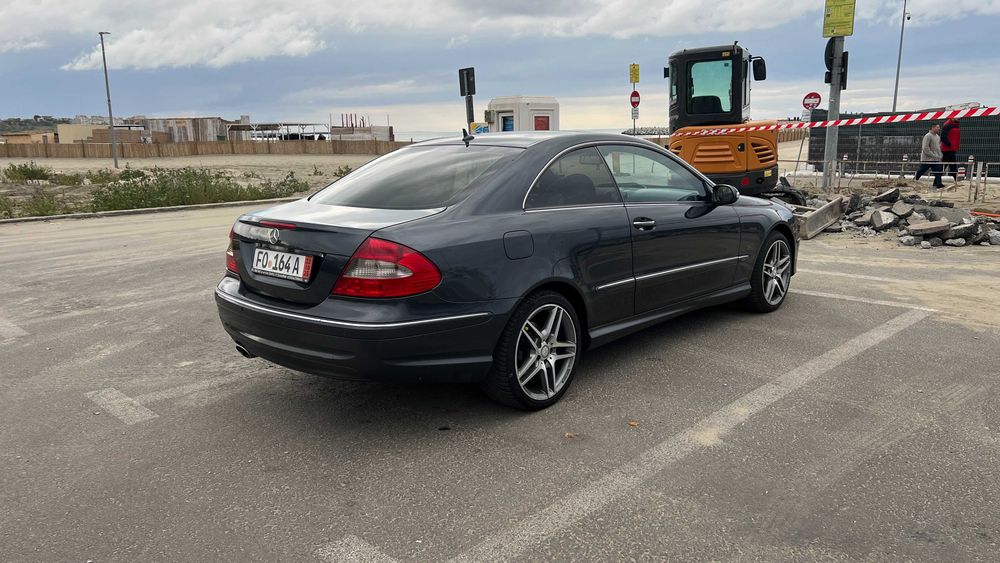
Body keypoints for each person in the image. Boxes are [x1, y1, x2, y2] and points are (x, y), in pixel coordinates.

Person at [914, 123, 944, 188]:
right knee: (921, 171)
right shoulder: (928, 136)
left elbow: (938, 148)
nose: (939, 128)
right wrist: (933, 155)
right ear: (933, 128)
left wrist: (940, 155)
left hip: (935, 159)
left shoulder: (937, 137)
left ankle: (938, 184)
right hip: (926, 159)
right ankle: (914, 181)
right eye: (937, 127)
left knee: (938, 172)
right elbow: (925, 148)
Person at [940, 117, 960, 182]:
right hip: (949, 149)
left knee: (945, 166)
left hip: (951, 148)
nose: (959, 118)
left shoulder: (954, 125)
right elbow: (943, 136)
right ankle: (956, 180)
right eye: (957, 117)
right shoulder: (948, 126)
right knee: (953, 166)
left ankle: (937, 181)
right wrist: (949, 144)